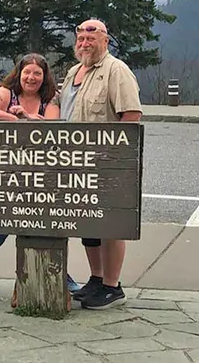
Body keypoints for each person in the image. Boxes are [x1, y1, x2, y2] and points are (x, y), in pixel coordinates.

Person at [0, 53, 81, 305]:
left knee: (48, 225)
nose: (31, 78)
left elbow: (51, 127)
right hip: (7, 173)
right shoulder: (6, 93)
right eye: (27, 72)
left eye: (37, 73)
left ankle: (61, 274)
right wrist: (17, 118)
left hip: (42, 175)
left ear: (45, 77)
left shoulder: (50, 99)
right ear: (19, 73)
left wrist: (28, 119)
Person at [57, 18, 143, 310]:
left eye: (91, 38)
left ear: (105, 40)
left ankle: (112, 286)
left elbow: (131, 114)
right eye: (80, 38)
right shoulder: (73, 73)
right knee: (89, 224)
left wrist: (116, 161)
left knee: (111, 225)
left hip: (105, 163)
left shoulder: (116, 71)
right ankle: (96, 278)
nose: (84, 43)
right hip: (73, 163)